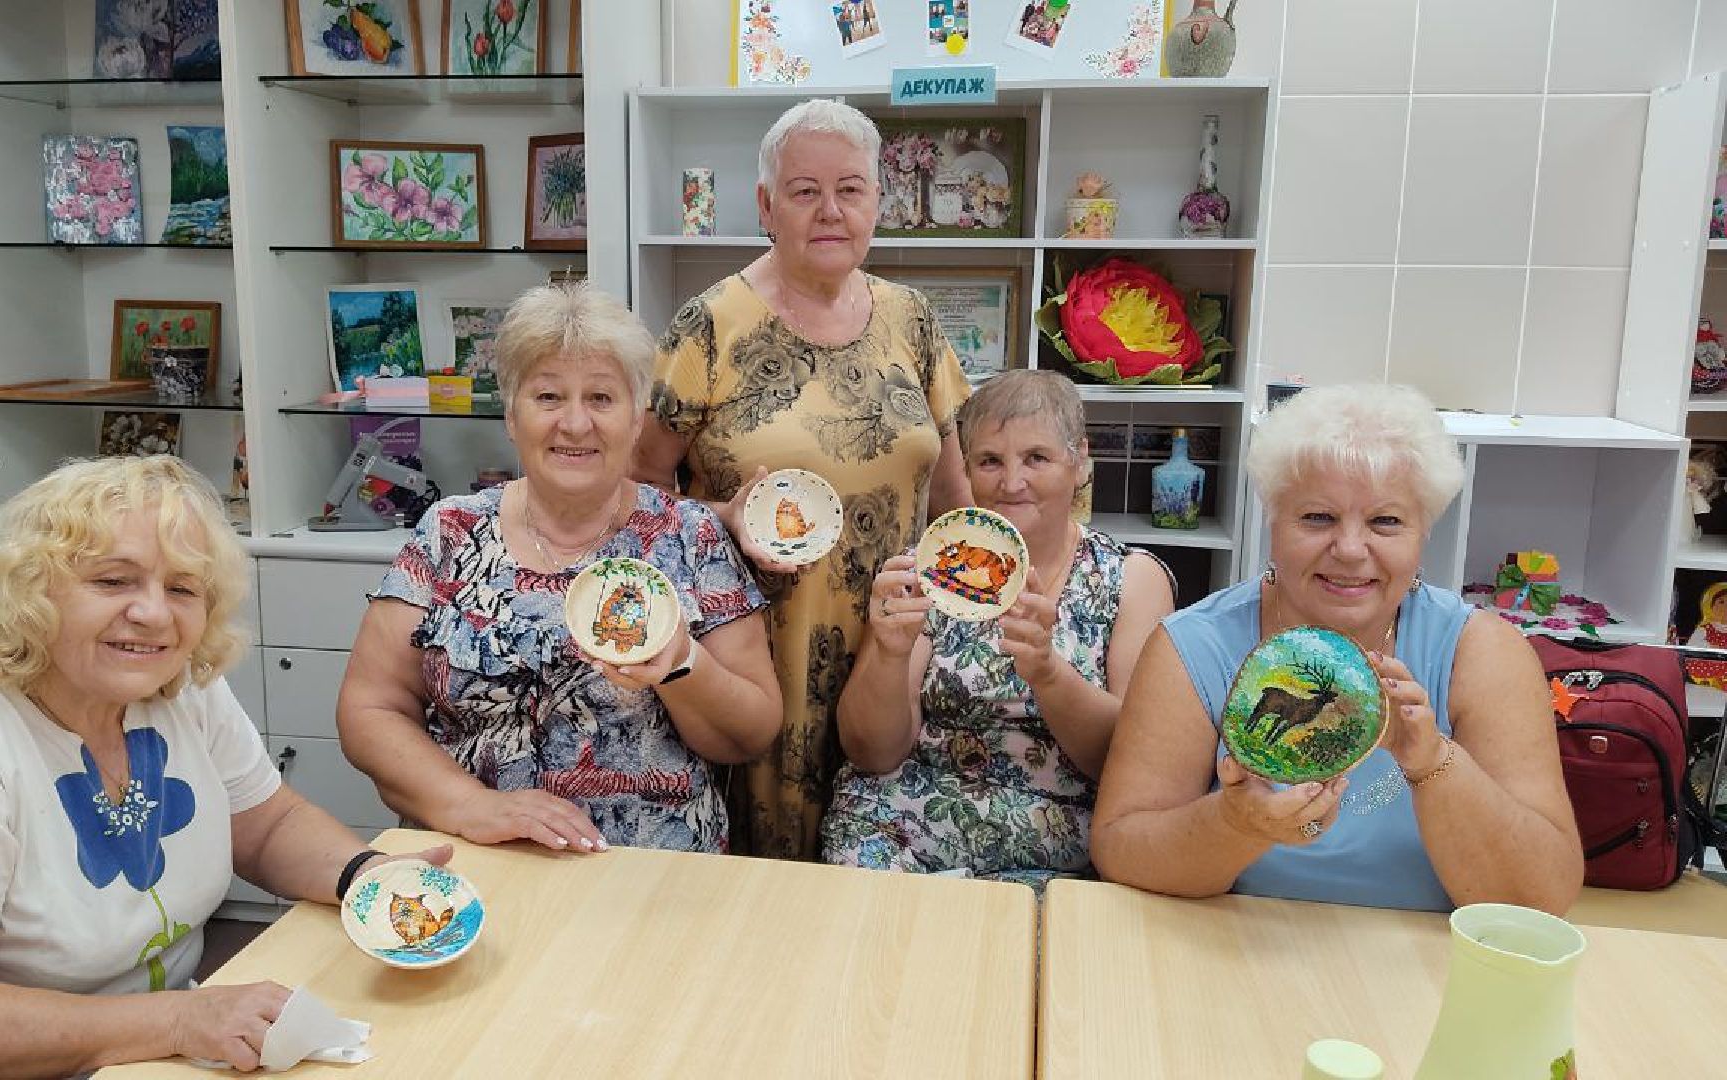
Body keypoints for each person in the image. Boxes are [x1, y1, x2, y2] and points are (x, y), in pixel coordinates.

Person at [0, 456, 450, 1076]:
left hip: (135, 1051)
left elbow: (267, 825)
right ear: (32, 591)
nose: (153, 614)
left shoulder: (177, 686)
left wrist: (370, 880)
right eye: (113, 581)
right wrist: (177, 1021)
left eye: (182, 588)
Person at [1091, 384, 1582, 913]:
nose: (1350, 550)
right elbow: (1121, 849)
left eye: (1385, 521)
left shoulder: (1482, 652)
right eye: (1318, 518)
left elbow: (1543, 893)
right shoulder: (1194, 645)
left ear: (1424, 533)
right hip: (1238, 944)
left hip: (1427, 958)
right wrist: (1237, 824)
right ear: (1273, 522)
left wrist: (1433, 762)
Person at [634, 98, 973, 859]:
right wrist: (720, 516)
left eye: (851, 189)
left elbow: (953, 492)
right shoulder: (709, 326)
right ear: (766, 205)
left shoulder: (912, 319)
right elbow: (639, 489)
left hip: (896, 637)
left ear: (878, 204)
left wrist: (973, 611)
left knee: (882, 868)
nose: (830, 211)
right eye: (804, 190)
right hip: (754, 650)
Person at [339, 284, 782, 855]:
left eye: (601, 398)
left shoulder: (691, 535)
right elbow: (370, 709)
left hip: (650, 869)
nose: (575, 424)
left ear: (636, 420)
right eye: (549, 397)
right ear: (511, 415)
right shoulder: (449, 531)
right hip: (476, 859)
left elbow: (752, 732)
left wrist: (683, 666)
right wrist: (474, 805)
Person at [820, 371, 1175, 888]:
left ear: (1080, 461)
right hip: (902, 828)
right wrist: (889, 656)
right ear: (966, 470)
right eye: (990, 461)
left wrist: (1049, 674)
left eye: (1037, 458)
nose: (1011, 483)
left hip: (1060, 850)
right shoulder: (929, 570)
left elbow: (1133, 765)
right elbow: (871, 753)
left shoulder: (1133, 580)